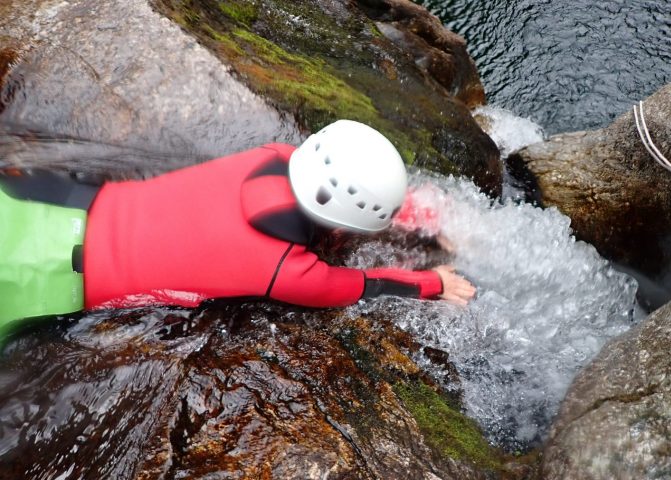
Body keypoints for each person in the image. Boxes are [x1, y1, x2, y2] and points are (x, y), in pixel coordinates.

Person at [0, 120, 475, 337]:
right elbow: (362, 286)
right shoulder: (287, 272)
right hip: (52, 281)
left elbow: (340, 178)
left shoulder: (272, 155)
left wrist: (406, 211)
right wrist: (434, 283)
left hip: (59, 198)